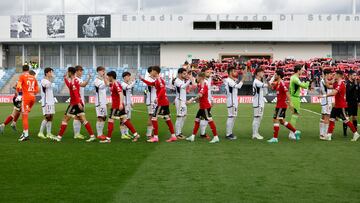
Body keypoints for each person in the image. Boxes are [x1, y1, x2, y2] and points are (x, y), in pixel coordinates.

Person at [52, 67, 95, 142]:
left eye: (68, 72)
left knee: (65, 119)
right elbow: (70, 87)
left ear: (70, 72)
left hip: (74, 103)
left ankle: (59, 137)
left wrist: (78, 103)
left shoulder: (73, 81)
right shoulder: (74, 80)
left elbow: (75, 93)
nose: (67, 73)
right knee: (83, 119)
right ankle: (92, 136)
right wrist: (65, 79)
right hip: (77, 102)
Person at [140, 66, 177, 143]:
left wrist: (157, 98)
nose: (151, 72)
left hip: (162, 103)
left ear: (155, 71)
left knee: (153, 118)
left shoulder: (159, 79)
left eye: (152, 71)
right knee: (167, 119)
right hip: (165, 102)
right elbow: (151, 83)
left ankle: (156, 137)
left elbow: (163, 89)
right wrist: (142, 79)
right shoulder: (157, 80)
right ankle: (173, 136)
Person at [101, 71, 140, 143]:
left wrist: (120, 104)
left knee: (110, 121)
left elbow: (121, 94)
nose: (108, 78)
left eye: (108, 76)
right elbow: (106, 83)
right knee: (125, 121)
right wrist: (104, 77)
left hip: (116, 106)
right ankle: (136, 134)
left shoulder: (116, 84)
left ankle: (108, 139)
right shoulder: (112, 84)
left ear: (111, 77)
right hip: (117, 105)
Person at [320, 70, 359, 141]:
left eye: (335, 74)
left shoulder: (340, 84)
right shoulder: (336, 82)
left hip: (341, 106)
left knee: (345, 120)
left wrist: (324, 95)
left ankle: (355, 133)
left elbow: (334, 93)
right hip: (336, 106)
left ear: (338, 75)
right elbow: (328, 86)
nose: (334, 75)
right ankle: (329, 135)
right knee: (331, 119)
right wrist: (325, 77)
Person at [268, 70, 301, 143]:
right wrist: (270, 81)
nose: (274, 76)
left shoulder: (282, 83)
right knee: (282, 121)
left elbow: (287, 93)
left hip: (281, 105)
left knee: (275, 119)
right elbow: (271, 88)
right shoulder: (278, 83)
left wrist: (290, 103)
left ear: (279, 76)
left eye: (275, 75)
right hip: (279, 105)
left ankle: (275, 138)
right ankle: (296, 132)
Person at [186, 72, 219, 143]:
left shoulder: (204, 86)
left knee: (210, 120)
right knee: (197, 120)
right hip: (202, 107)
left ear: (200, 77)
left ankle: (216, 137)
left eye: (197, 77)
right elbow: (199, 95)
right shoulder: (201, 85)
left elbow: (200, 95)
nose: (196, 78)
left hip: (205, 107)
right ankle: (192, 136)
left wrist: (191, 100)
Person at [16, 65, 39, 141]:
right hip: (33, 98)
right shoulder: (33, 77)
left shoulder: (22, 76)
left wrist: (19, 95)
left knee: (24, 116)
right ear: (29, 70)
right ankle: (24, 132)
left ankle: (26, 135)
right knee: (26, 113)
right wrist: (32, 93)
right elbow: (37, 89)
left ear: (22, 70)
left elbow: (18, 86)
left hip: (26, 98)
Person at [223, 66, 246, 140]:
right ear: (230, 72)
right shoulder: (229, 81)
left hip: (233, 101)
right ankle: (228, 134)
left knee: (233, 117)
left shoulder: (230, 80)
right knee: (231, 117)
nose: (236, 73)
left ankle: (230, 132)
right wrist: (243, 79)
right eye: (234, 71)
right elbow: (238, 86)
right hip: (232, 101)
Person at [289, 65, 310, 136]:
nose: (302, 71)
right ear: (298, 71)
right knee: (295, 115)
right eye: (301, 70)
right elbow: (304, 86)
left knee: (294, 115)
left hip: (294, 97)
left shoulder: (294, 77)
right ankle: (292, 133)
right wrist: (307, 82)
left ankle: (291, 132)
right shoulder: (295, 78)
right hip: (295, 98)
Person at [73, 65, 91, 140]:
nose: (81, 72)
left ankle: (77, 134)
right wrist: (89, 78)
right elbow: (83, 85)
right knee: (81, 118)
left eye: (81, 70)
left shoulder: (79, 79)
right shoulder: (76, 79)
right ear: (76, 72)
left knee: (77, 117)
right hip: (78, 101)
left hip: (80, 100)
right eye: (80, 71)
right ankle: (90, 134)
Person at [173, 68, 192, 139]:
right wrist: (190, 80)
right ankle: (177, 134)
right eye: (184, 74)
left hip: (183, 101)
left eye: (186, 73)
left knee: (184, 117)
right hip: (180, 101)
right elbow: (182, 87)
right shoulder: (177, 81)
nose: (185, 75)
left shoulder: (183, 80)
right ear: (179, 74)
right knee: (179, 117)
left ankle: (180, 132)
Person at [252, 68, 270, 140]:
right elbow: (267, 85)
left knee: (259, 118)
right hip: (258, 103)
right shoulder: (256, 82)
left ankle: (256, 133)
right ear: (257, 73)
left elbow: (265, 90)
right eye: (262, 72)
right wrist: (270, 80)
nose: (263, 74)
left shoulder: (258, 81)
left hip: (260, 103)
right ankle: (254, 134)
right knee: (257, 118)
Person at [38, 67, 56, 139]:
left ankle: (48, 133)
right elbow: (48, 85)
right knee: (47, 116)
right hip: (46, 102)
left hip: (51, 101)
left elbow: (50, 85)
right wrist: (51, 79)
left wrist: (51, 79)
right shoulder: (43, 81)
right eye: (51, 72)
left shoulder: (48, 80)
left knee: (51, 117)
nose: (52, 74)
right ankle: (41, 132)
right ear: (47, 73)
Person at [93, 66, 109, 140]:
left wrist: (106, 102)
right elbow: (105, 85)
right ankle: (99, 134)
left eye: (104, 71)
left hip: (103, 101)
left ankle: (101, 133)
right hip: (99, 102)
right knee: (100, 117)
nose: (104, 72)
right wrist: (105, 78)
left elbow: (107, 85)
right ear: (98, 71)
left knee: (104, 117)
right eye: (102, 71)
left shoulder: (102, 79)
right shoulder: (96, 80)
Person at [343, 70, 359, 136]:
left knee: (354, 117)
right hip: (348, 102)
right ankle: (345, 132)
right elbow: (348, 91)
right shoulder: (347, 83)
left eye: (356, 75)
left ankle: (355, 132)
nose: (355, 77)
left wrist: (359, 101)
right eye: (354, 75)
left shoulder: (356, 83)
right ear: (350, 75)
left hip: (355, 102)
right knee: (347, 117)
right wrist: (355, 85)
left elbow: (358, 92)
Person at [120, 71, 136, 139]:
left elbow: (130, 94)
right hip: (124, 104)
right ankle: (123, 134)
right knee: (123, 120)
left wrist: (131, 102)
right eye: (128, 76)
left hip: (128, 104)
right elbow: (128, 87)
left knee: (128, 119)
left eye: (129, 76)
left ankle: (127, 133)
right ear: (124, 77)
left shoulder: (128, 84)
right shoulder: (123, 84)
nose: (129, 77)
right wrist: (134, 81)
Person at [199, 67, 213, 140]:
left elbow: (209, 91)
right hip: (205, 102)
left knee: (203, 118)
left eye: (210, 72)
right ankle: (202, 134)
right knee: (206, 118)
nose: (209, 74)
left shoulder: (208, 80)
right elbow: (201, 92)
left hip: (208, 101)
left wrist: (211, 100)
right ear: (203, 73)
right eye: (207, 72)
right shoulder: (204, 81)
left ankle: (202, 133)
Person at [319, 69, 333, 139]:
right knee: (327, 117)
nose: (331, 76)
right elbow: (329, 86)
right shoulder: (324, 80)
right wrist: (337, 86)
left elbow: (329, 83)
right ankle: (325, 134)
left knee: (323, 117)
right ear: (327, 74)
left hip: (324, 100)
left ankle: (321, 134)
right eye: (330, 74)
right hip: (327, 100)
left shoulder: (323, 80)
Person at [144, 66, 157, 139]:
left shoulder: (154, 78)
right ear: (151, 71)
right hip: (151, 100)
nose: (155, 72)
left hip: (154, 100)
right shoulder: (148, 78)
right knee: (151, 117)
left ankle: (151, 133)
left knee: (153, 117)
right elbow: (152, 84)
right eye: (154, 71)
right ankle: (149, 134)